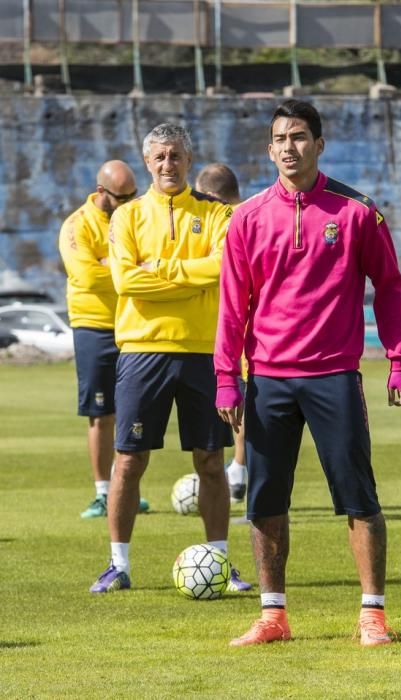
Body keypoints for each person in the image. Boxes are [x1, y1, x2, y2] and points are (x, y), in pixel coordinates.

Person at [214, 99, 401, 647]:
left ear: (319, 144)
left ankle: (372, 615)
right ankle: (272, 616)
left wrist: (399, 360)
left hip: (334, 377)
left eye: (299, 137)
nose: (288, 147)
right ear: (269, 148)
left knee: (359, 498)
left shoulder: (356, 212)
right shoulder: (247, 218)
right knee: (265, 502)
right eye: (279, 138)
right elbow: (232, 305)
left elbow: (390, 287)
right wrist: (226, 375)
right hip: (268, 382)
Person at [89, 124, 251, 594]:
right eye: (159, 157)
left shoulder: (217, 214)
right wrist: (190, 279)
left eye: (176, 155)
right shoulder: (127, 218)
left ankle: (220, 562)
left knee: (211, 460)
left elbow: (224, 268)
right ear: (147, 162)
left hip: (203, 350)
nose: (168, 165)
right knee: (130, 460)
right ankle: (117, 564)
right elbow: (126, 282)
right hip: (143, 350)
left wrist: (159, 269)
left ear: (188, 158)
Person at [59, 160, 150, 519]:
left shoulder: (134, 217)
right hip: (94, 325)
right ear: (101, 193)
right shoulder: (75, 226)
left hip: (134, 324)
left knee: (133, 411)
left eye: (133, 195)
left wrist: (107, 262)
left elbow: (153, 260)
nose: (129, 202)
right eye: (122, 197)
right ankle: (101, 491)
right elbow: (86, 277)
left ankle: (124, 489)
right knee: (101, 413)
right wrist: (127, 266)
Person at [195, 163, 247, 504]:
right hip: (259, 330)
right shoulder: (258, 212)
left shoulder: (229, 220)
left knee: (244, 409)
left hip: (241, 332)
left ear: (211, 195)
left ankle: (242, 475)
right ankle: (241, 473)